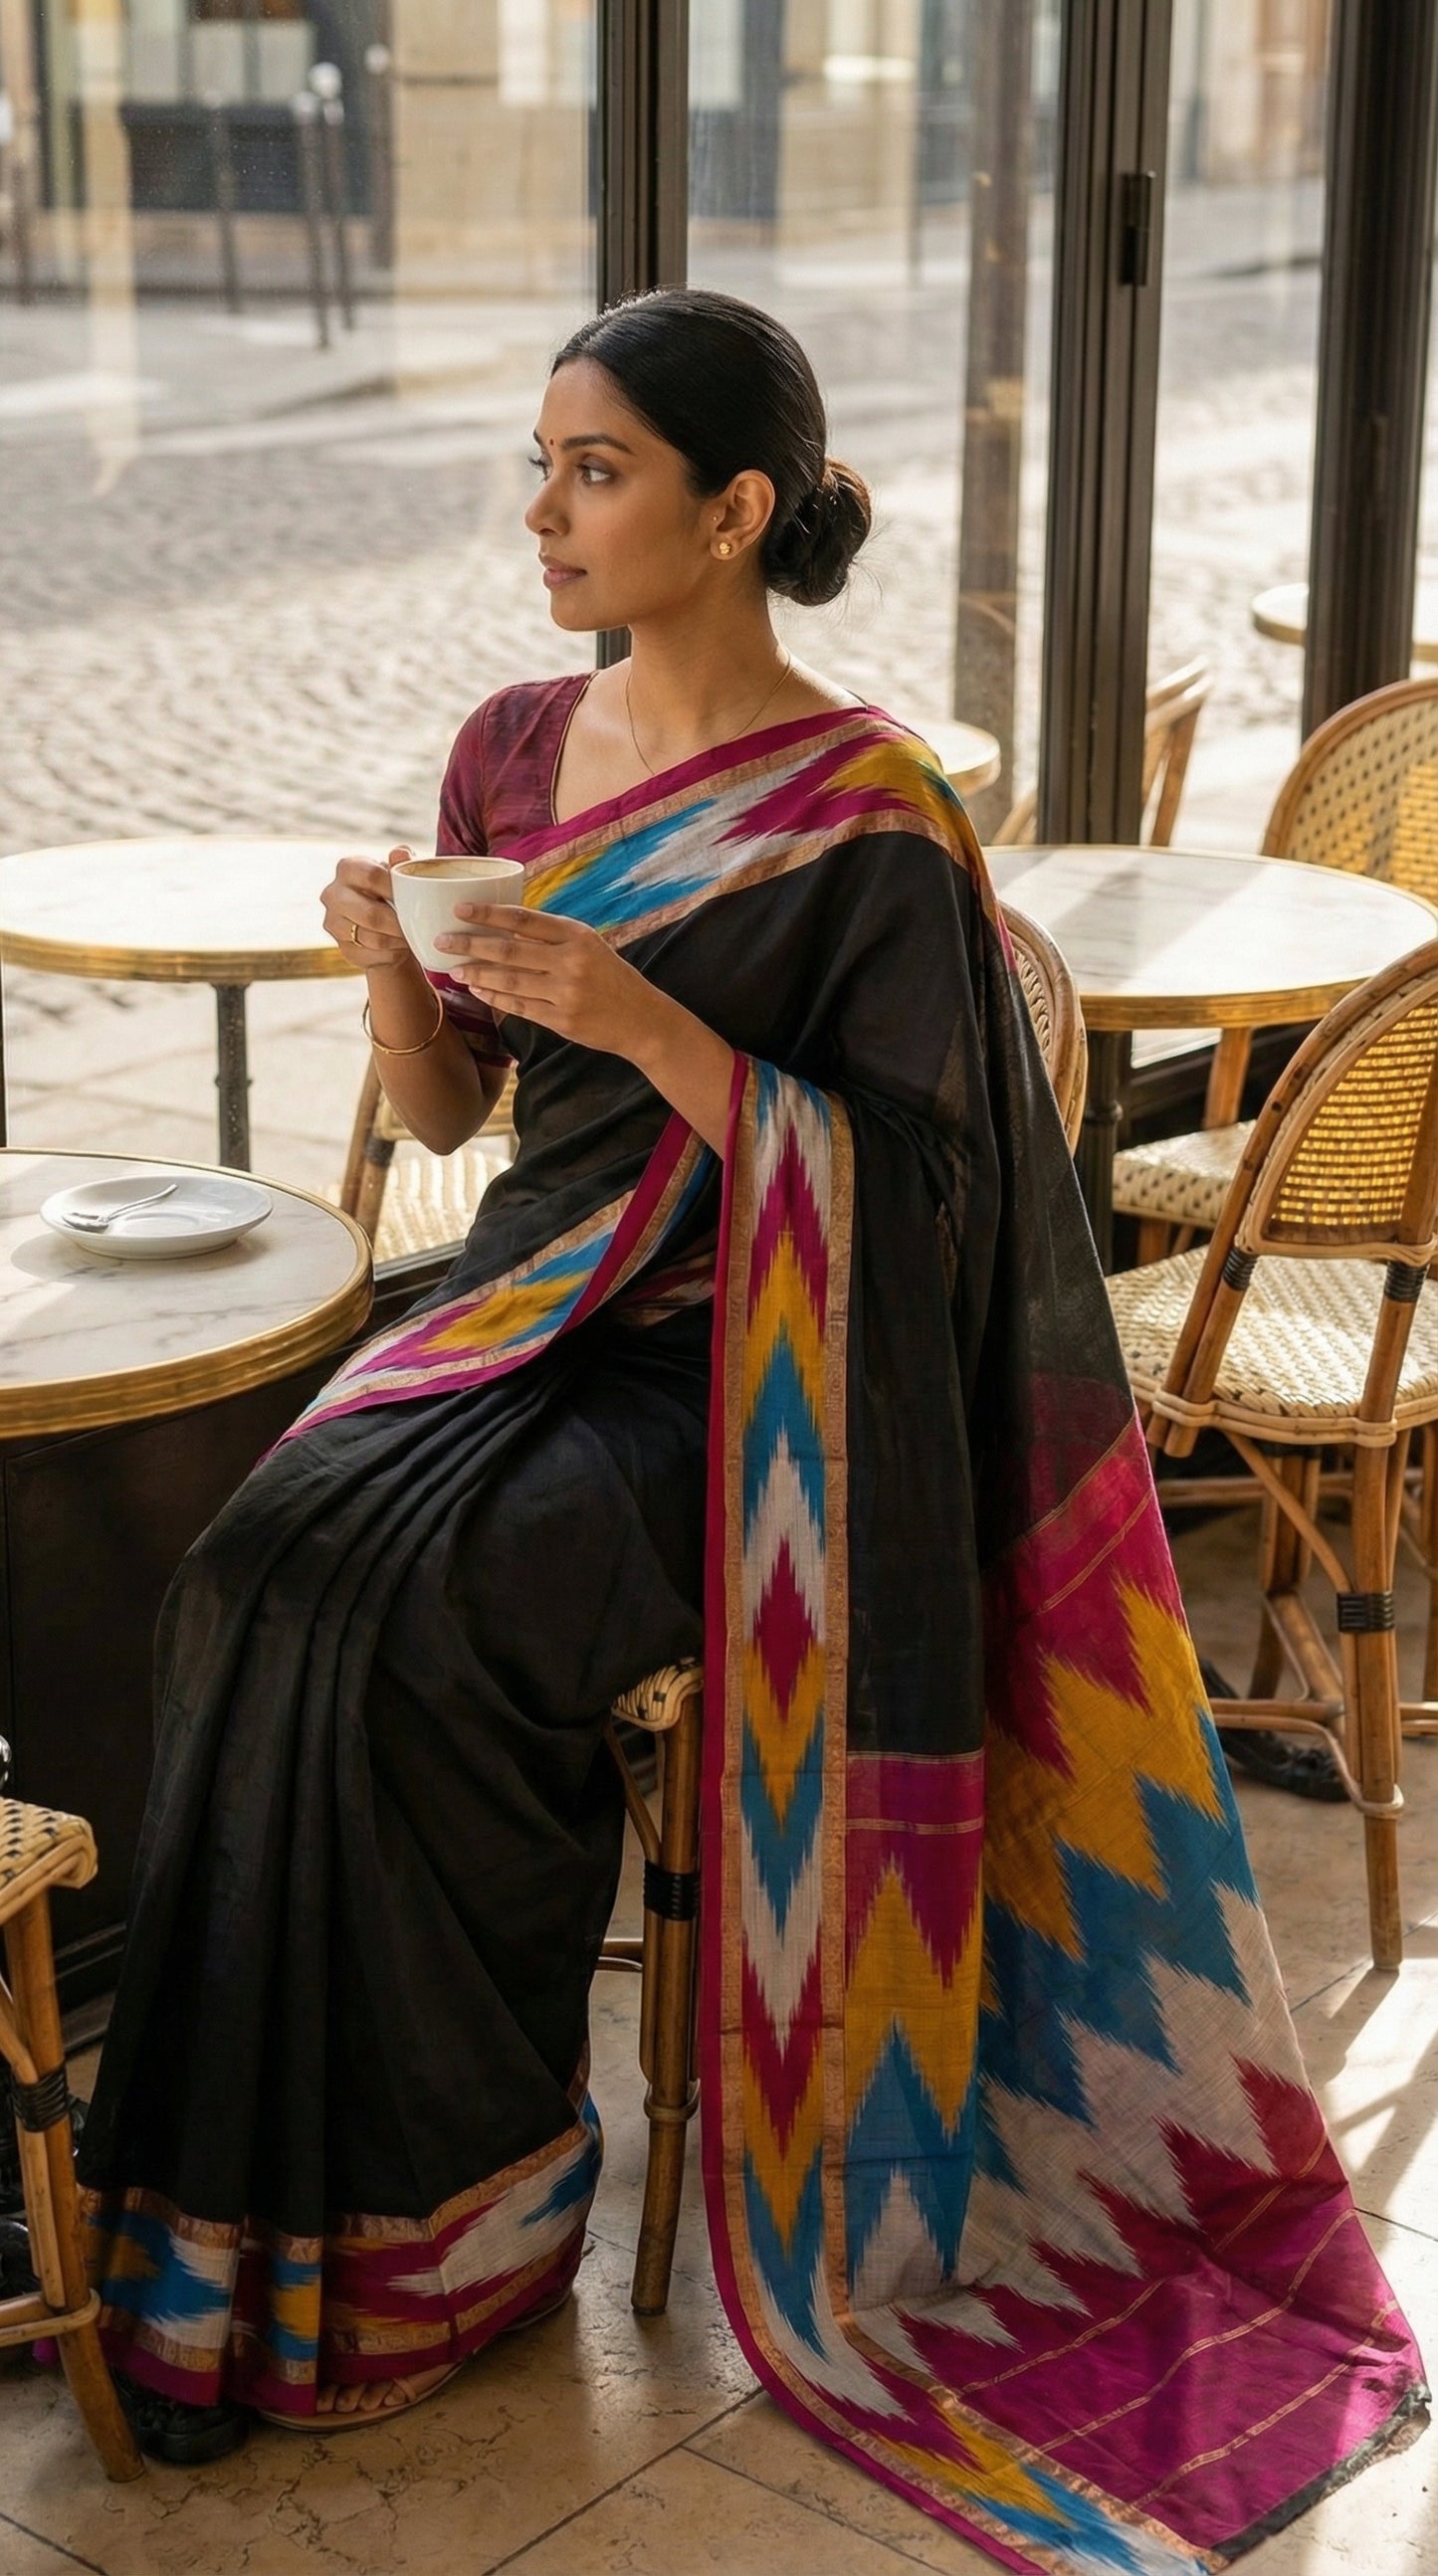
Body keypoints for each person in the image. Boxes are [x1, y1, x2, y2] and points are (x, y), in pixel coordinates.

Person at [78, 291, 1423, 2566]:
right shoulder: (512, 744)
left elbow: (928, 1211)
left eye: (593, 471)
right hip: (526, 1299)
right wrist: (402, 979)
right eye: (541, 463)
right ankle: (250, 2212)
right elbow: (444, 1120)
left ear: (736, 509)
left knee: (419, 1608)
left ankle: (468, 2211)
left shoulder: (871, 815)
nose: (543, 512)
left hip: (762, 1378)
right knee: (259, 1557)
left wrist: (645, 1014)